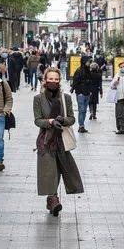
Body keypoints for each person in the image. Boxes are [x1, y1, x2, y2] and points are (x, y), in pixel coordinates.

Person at [33, 67, 84, 216]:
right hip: (46, 140)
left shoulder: (65, 97)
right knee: (50, 170)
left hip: (62, 139)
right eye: (50, 79)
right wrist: (50, 121)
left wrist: (62, 120)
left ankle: (52, 200)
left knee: (62, 169)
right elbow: (37, 121)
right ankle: (53, 198)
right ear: (45, 80)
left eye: (56, 79)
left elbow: (72, 118)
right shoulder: (38, 99)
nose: (53, 82)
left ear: (59, 81)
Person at [71, 56, 92, 133]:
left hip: (87, 93)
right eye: (87, 61)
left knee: (84, 111)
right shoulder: (79, 71)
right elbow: (75, 82)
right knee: (81, 110)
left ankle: (82, 125)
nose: (89, 63)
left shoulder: (88, 70)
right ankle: (81, 126)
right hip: (81, 94)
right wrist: (77, 91)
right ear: (84, 62)